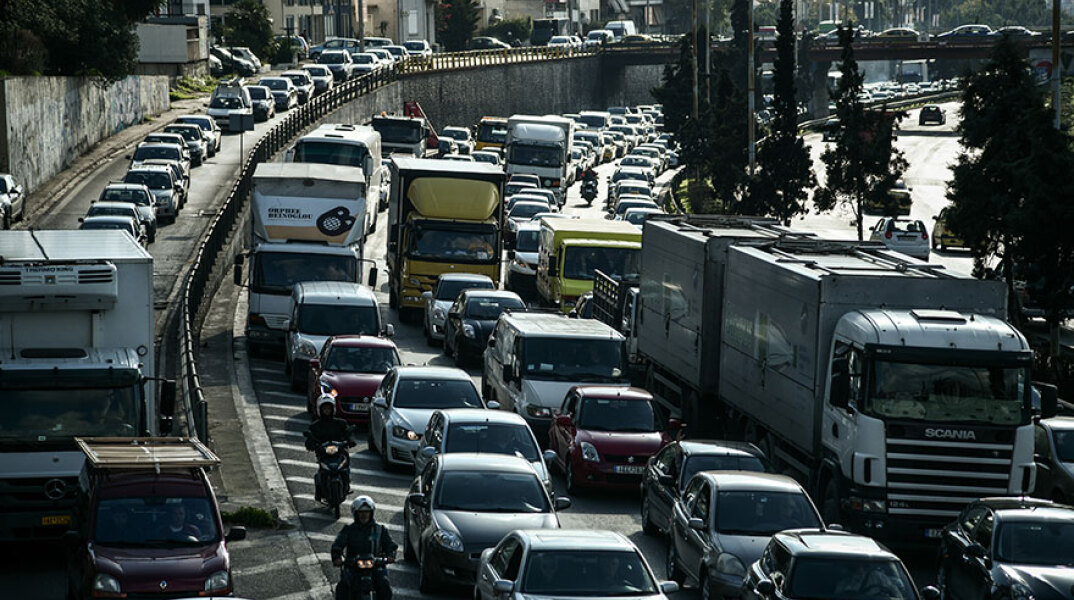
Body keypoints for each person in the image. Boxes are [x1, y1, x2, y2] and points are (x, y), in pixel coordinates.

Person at [331, 496, 398, 600]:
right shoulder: (349, 530)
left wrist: (390, 555)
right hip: (353, 567)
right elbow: (338, 544)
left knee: (384, 585)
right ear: (355, 513)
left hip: (375, 567)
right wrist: (336, 557)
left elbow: (390, 545)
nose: (364, 515)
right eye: (361, 512)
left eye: (367, 512)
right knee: (343, 587)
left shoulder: (380, 529)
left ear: (371, 513)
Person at [307, 395, 353, 501]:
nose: (327, 411)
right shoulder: (315, 426)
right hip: (324, 453)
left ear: (333, 409)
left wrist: (350, 440)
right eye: (325, 409)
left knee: (345, 467)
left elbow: (348, 433)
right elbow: (310, 437)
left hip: (339, 452)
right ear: (320, 410)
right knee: (322, 472)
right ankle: (320, 490)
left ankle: (346, 485)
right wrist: (311, 444)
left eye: (329, 408)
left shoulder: (341, 423)